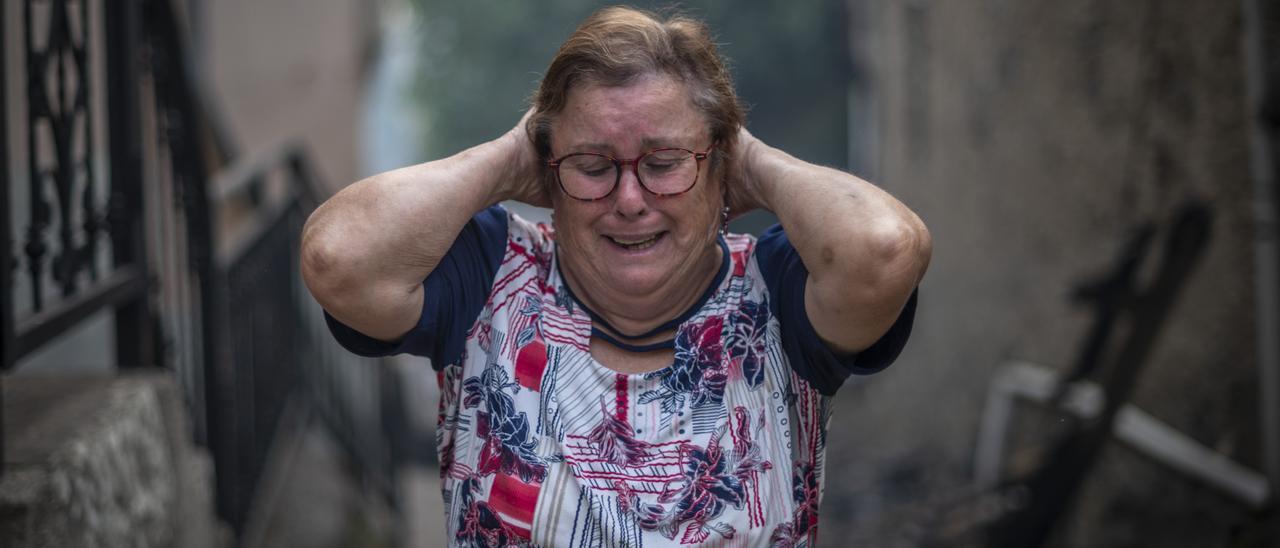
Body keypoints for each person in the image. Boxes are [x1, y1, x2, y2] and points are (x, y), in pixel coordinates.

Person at [301, 6, 930, 546]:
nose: (630, 199)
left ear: (720, 166)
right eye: (592, 163)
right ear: (548, 172)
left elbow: (885, 250)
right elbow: (338, 258)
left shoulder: (777, 294)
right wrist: (503, 161)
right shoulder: (490, 279)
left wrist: (756, 163)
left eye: (664, 161)